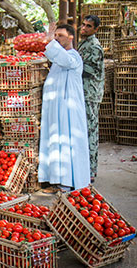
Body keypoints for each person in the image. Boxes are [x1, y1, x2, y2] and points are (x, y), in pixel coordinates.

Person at [38, 23, 90, 192]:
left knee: (67, 142)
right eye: (56, 35)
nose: (57, 38)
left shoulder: (73, 57)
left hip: (68, 110)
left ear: (71, 37)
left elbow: (63, 59)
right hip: (56, 109)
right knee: (56, 141)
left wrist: (49, 41)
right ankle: (56, 180)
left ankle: (67, 182)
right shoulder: (58, 59)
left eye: (60, 35)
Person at [78, 15, 104, 182]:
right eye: (83, 24)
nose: (84, 28)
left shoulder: (94, 46)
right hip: (85, 92)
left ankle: (90, 171)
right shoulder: (85, 43)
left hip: (90, 94)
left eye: (88, 26)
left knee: (90, 131)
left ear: (95, 29)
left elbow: (90, 70)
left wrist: (72, 64)